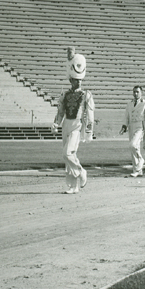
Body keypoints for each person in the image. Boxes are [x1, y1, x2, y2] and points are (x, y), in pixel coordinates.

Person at [52, 52, 95, 194]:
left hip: (77, 126)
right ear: (71, 80)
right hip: (66, 126)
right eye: (76, 80)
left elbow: (90, 116)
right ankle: (73, 186)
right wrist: (56, 124)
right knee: (70, 157)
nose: (79, 82)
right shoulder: (65, 94)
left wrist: (88, 132)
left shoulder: (86, 94)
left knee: (67, 153)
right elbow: (60, 112)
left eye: (80, 80)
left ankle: (82, 172)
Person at [120, 85, 145, 178]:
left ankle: (141, 160)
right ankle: (137, 170)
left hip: (140, 127)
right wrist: (124, 127)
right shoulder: (129, 104)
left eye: (137, 92)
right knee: (134, 148)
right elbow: (126, 116)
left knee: (133, 145)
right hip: (131, 126)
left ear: (141, 93)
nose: (135, 93)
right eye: (134, 92)